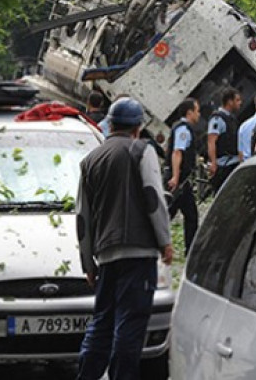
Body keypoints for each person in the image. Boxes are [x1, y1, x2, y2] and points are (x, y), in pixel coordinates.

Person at [76, 97, 174, 380]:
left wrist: (88, 264)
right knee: (130, 324)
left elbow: (82, 219)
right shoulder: (141, 151)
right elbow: (154, 199)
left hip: (106, 255)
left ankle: (87, 374)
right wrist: (165, 241)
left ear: (111, 124)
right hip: (138, 252)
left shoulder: (90, 160)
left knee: (102, 322)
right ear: (138, 127)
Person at [166, 97, 200, 255]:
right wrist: (175, 177)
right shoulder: (183, 129)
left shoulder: (181, 127)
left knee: (187, 213)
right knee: (172, 213)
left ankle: (190, 248)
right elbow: (177, 152)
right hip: (179, 180)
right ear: (189, 112)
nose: (199, 114)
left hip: (181, 180)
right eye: (197, 111)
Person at [207, 87, 242, 194]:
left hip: (234, 162)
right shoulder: (218, 119)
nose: (240, 103)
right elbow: (211, 141)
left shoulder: (231, 118)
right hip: (224, 165)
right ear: (229, 102)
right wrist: (213, 163)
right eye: (237, 100)